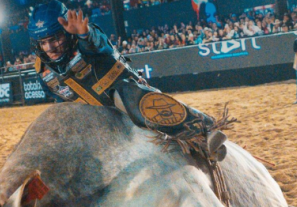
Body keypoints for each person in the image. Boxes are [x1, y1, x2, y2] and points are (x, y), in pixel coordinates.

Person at [29, 0, 228, 163]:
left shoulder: (87, 39)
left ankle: (204, 130)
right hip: (91, 116)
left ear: (67, 32)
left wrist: (84, 33)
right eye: (43, 42)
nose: (50, 47)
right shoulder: (42, 71)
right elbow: (59, 101)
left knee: (129, 97)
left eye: (55, 39)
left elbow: (98, 44)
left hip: (122, 94)